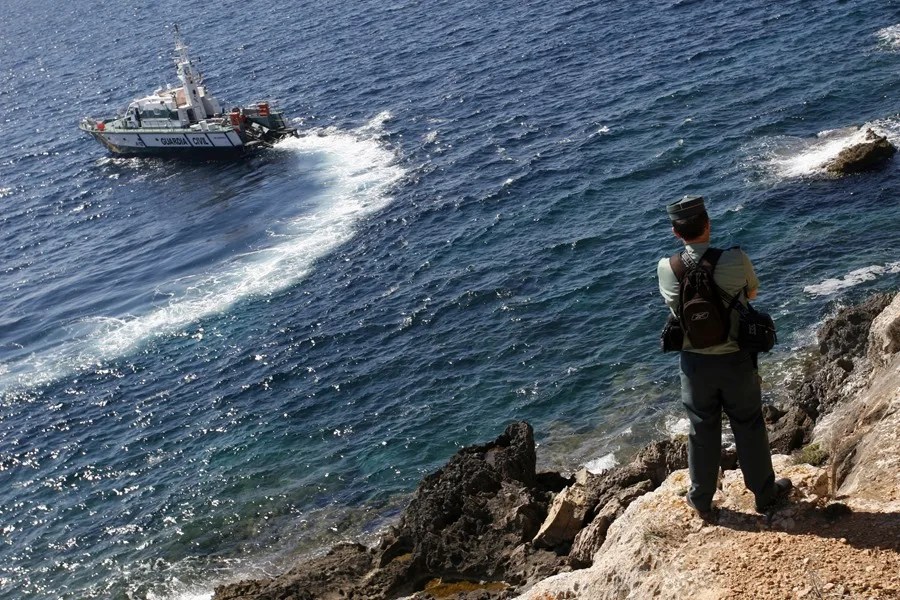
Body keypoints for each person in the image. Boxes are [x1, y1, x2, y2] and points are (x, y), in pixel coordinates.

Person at [657, 195, 791, 519]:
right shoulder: (736, 258)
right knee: (749, 424)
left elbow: (674, 308)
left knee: (701, 429)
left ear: (676, 233)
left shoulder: (667, 267)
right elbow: (753, 293)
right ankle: (764, 495)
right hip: (737, 360)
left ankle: (701, 499)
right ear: (708, 224)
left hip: (694, 366)